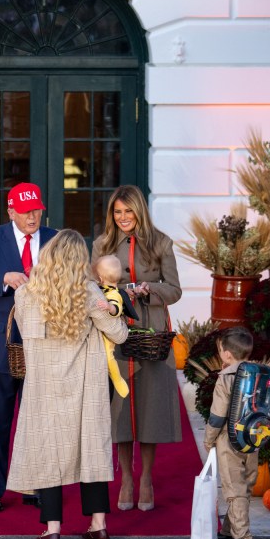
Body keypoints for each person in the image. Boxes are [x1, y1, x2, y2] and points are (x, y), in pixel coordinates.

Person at [6, 228, 128, 539]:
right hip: (85, 383)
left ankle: (53, 529)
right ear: (80, 261)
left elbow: (26, 334)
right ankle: (98, 524)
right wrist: (114, 310)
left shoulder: (25, 294)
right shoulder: (89, 292)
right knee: (92, 448)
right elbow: (120, 336)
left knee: (50, 450)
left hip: (43, 384)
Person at [92, 184, 182, 512]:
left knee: (149, 408)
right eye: (117, 212)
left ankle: (146, 478)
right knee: (119, 410)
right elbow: (92, 288)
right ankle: (125, 479)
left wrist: (148, 288)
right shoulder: (102, 244)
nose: (123, 218)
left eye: (128, 211)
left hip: (151, 333)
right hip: (115, 333)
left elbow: (174, 290)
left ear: (139, 211)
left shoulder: (160, 243)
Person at [0, 181, 57, 513]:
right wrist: (4, 278)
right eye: (25, 210)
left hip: (45, 342)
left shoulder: (54, 239)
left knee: (37, 418)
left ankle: (34, 485)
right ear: (11, 211)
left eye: (36, 209)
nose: (32, 216)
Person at [203, 326, 259, 539]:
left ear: (227, 354)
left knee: (233, 488)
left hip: (229, 439)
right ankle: (229, 531)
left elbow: (217, 416)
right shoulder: (258, 373)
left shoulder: (226, 378)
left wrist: (209, 440)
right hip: (253, 438)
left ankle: (242, 538)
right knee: (243, 486)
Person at [93, 254, 132, 398]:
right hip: (100, 334)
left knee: (109, 358)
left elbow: (117, 309)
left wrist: (109, 307)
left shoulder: (115, 294)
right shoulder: (102, 289)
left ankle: (117, 379)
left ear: (101, 278)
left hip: (108, 338)